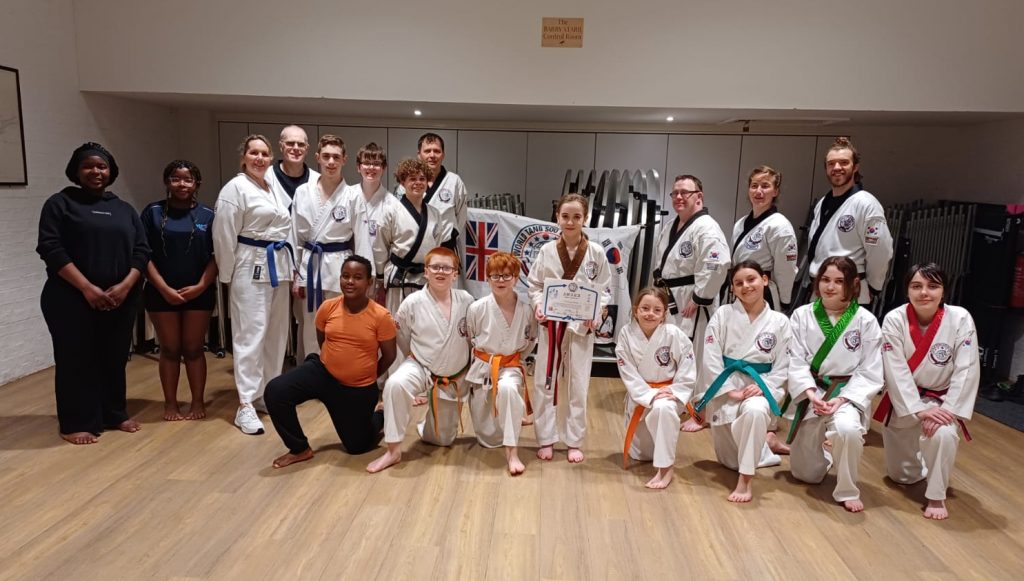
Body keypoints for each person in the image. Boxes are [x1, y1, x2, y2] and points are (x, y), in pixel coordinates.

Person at [36, 142, 150, 444]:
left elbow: (141, 251)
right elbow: (50, 248)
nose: (96, 171)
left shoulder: (123, 209)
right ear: (76, 170)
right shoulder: (60, 204)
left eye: (102, 166)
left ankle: (114, 413)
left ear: (111, 171)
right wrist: (87, 288)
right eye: (88, 166)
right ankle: (75, 422)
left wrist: (126, 286)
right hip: (70, 298)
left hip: (120, 299)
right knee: (76, 359)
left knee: (113, 358)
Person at [265, 255, 397, 468]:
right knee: (275, 391)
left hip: (357, 388)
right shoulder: (328, 307)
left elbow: (390, 355)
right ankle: (299, 449)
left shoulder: (381, 316)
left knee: (357, 447)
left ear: (369, 282)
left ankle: (380, 413)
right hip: (323, 373)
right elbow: (322, 339)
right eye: (345, 276)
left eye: (357, 277)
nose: (350, 281)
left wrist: (366, 375)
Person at [876, 263, 980, 520]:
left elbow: (967, 368)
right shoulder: (895, 319)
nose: (925, 292)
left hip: (941, 398)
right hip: (907, 399)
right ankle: (926, 458)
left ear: (943, 291)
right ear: (907, 291)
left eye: (933, 286)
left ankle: (936, 495)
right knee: (901, 476)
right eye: (916, 286)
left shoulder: (960, 318)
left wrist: (947, 410)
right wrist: (920, 409)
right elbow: (895, 369)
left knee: (943, 433)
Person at [787, 256, 883, 512]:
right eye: (825, 280)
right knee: (804, 474)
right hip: (813, 390)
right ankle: (829, 454)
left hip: (845, 392)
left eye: (839, 281)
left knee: (848, 430)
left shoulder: (865, 320)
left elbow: (871, 369)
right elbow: (794, 361)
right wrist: (809, 392)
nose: (830, 287)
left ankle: (848, 488)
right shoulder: (801, 315)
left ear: (852, 284)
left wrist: (841, 399)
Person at [213, 134, 293, 436]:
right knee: (250, 334)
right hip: (249, 262)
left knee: (276, 334)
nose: (260, 158)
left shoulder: (271, 187)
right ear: (244, 157)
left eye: (264, 153)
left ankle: (267, 393)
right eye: (254, 153)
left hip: (278, 264)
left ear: (271, 158)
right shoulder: (235, 188)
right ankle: (245, 403)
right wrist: (228, 274)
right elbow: (223, 234)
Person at [367, 247, 473, 473]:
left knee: (443, 440)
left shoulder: (466, 300)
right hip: (421, 366)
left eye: (447, 268)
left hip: (454, 374)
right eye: (435, 267)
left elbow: (471, 338)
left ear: (455, 273)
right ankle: (393, 450)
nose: (441, 272)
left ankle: (425, 425)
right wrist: (416, 358)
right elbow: (402, 338)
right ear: (426, 271)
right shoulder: (412, 302)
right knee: (395, 384)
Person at [695, 261, 792, 502]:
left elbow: (784, 365)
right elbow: (710, 356)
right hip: (726, 385)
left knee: (756, 412)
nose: (746, 286)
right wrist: (728, 390)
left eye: (751, 279)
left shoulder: (780, 322)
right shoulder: (723, 315)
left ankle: (745, 481)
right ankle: (764, 447)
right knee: (730, 461)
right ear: (733, 289)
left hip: (760, 386)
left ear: (765, 280)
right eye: (738, 283)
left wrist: (763, 387)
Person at [527, 193, 611, 464]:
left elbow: (605, 289)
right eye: (565, 216)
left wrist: (596, 311)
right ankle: (546, 438)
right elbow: (536, 285)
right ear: (557, 218)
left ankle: (574, 440)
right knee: (545, 380)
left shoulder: (596, 252)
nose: (571, 222)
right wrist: (539, 305)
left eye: (577, 217)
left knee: (578, 383)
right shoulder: (546, 251)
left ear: (585, 219)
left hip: (580, 329)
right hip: (551, 326)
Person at [651, 174, 731, 432]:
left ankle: (702, 411)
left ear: (699, 196)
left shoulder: (707, 227)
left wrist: (700, 297)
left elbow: (718, 263)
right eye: (675, 193)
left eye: (685, 192)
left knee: (698, 356)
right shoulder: (673, 225)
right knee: (677, 353)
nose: (679, 197)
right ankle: (679, 402)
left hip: (693, 301)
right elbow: (662, 262)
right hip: (672, 296)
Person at [730, 165, 799, 454]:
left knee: (767, 354)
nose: (759, 191)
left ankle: (769, 426)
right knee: (741, 350)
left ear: (776, 190)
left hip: (767, 292)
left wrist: (782, 302)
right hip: (741, 290)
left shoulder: (780, 225)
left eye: (766, 186)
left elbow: (786, 270)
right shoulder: (742, 223)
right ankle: (740, 409)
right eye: (755, 185)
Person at [141, 160, 217, 421]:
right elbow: (142, 254)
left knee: (194, 348)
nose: (182, 184)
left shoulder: (208, 215)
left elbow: (217, 256)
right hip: (160, 291)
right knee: (170, 349)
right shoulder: (152, 212)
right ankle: (170, 404)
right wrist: (162, 287)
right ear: (167, 181)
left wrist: (201, 286)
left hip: (199, 292)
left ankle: (197, 402)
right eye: (176, 178)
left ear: (197, 183)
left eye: (188, 179)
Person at [796, 137, 893, 307]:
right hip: (820, 290)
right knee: (818, 334)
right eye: (831, 163)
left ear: (855, 167)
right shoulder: (822, 203)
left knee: (846, 334)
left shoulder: (866, 204)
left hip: (850, 293)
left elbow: (881, 251)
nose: (837, 168)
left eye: (843, 162)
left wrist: (873, 287)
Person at [616, 287, 697, 489]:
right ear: (635, 310)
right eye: (645, 308)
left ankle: (666, 468)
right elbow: (627, 371)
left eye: (656, 310)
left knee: (664, 407)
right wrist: (650, 394)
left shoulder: (673, 334)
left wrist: (676, 390)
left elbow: (688, 364)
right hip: (640, 394)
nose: (650, 313)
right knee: (640, 453)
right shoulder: (626, 333)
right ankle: (657, 458)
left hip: (668, 393)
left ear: (664, 314)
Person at [466, 252, 538, 476]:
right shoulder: (477, 308)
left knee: (507, 388)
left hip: (510, 366)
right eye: (495, 275)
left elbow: (531, 339)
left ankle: (512, 452)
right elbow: (470, 338)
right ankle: (513, 417)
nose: (500, 280)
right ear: (487, 278)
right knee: (488, 437)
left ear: (516, 278)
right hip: (483, 368)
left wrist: (514, 359)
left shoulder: (526, 310)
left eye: (507, 276)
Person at [292, 135, 357, 357]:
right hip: (310, 264)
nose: (331, 162)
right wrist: (297, 274)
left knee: (341, 323)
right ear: (317, 157)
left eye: (336, 157)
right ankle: (311, 375)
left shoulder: (352, 195)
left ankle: (338, 375)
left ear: (344, 160)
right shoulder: (303, 192)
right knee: (311, 324)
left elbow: (360, 241)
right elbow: (295, 237)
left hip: (340, 265)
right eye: (326, 156)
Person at [372, 158, 448, 316]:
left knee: (425, 323)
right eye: (412, 179)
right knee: (397, 324)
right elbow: (380, 245)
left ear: (428, 182)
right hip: (399, 276)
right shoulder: (390, 210)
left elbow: (437, 247)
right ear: (402, 182)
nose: (418, 183)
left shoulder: (435, 213)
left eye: (422, 179)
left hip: (426, 277)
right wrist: (380, 274)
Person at [397, 133, 467, 261]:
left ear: (443, 155)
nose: (432, 155)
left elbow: (461, 216)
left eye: (437, 151)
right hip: (412, 249)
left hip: (444, 248)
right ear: (419, 154)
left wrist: (452, 235)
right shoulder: (408, 183)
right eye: (427, 151)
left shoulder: (454, 181)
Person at [349, 143, 389, 281]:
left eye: (376, 163)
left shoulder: (392, 204)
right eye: (366, 163)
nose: (371, 168)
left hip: (379, 275)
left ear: (383, 168)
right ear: (358, 167)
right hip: (348, 271)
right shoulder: (347, 196)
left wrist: (382, 276)